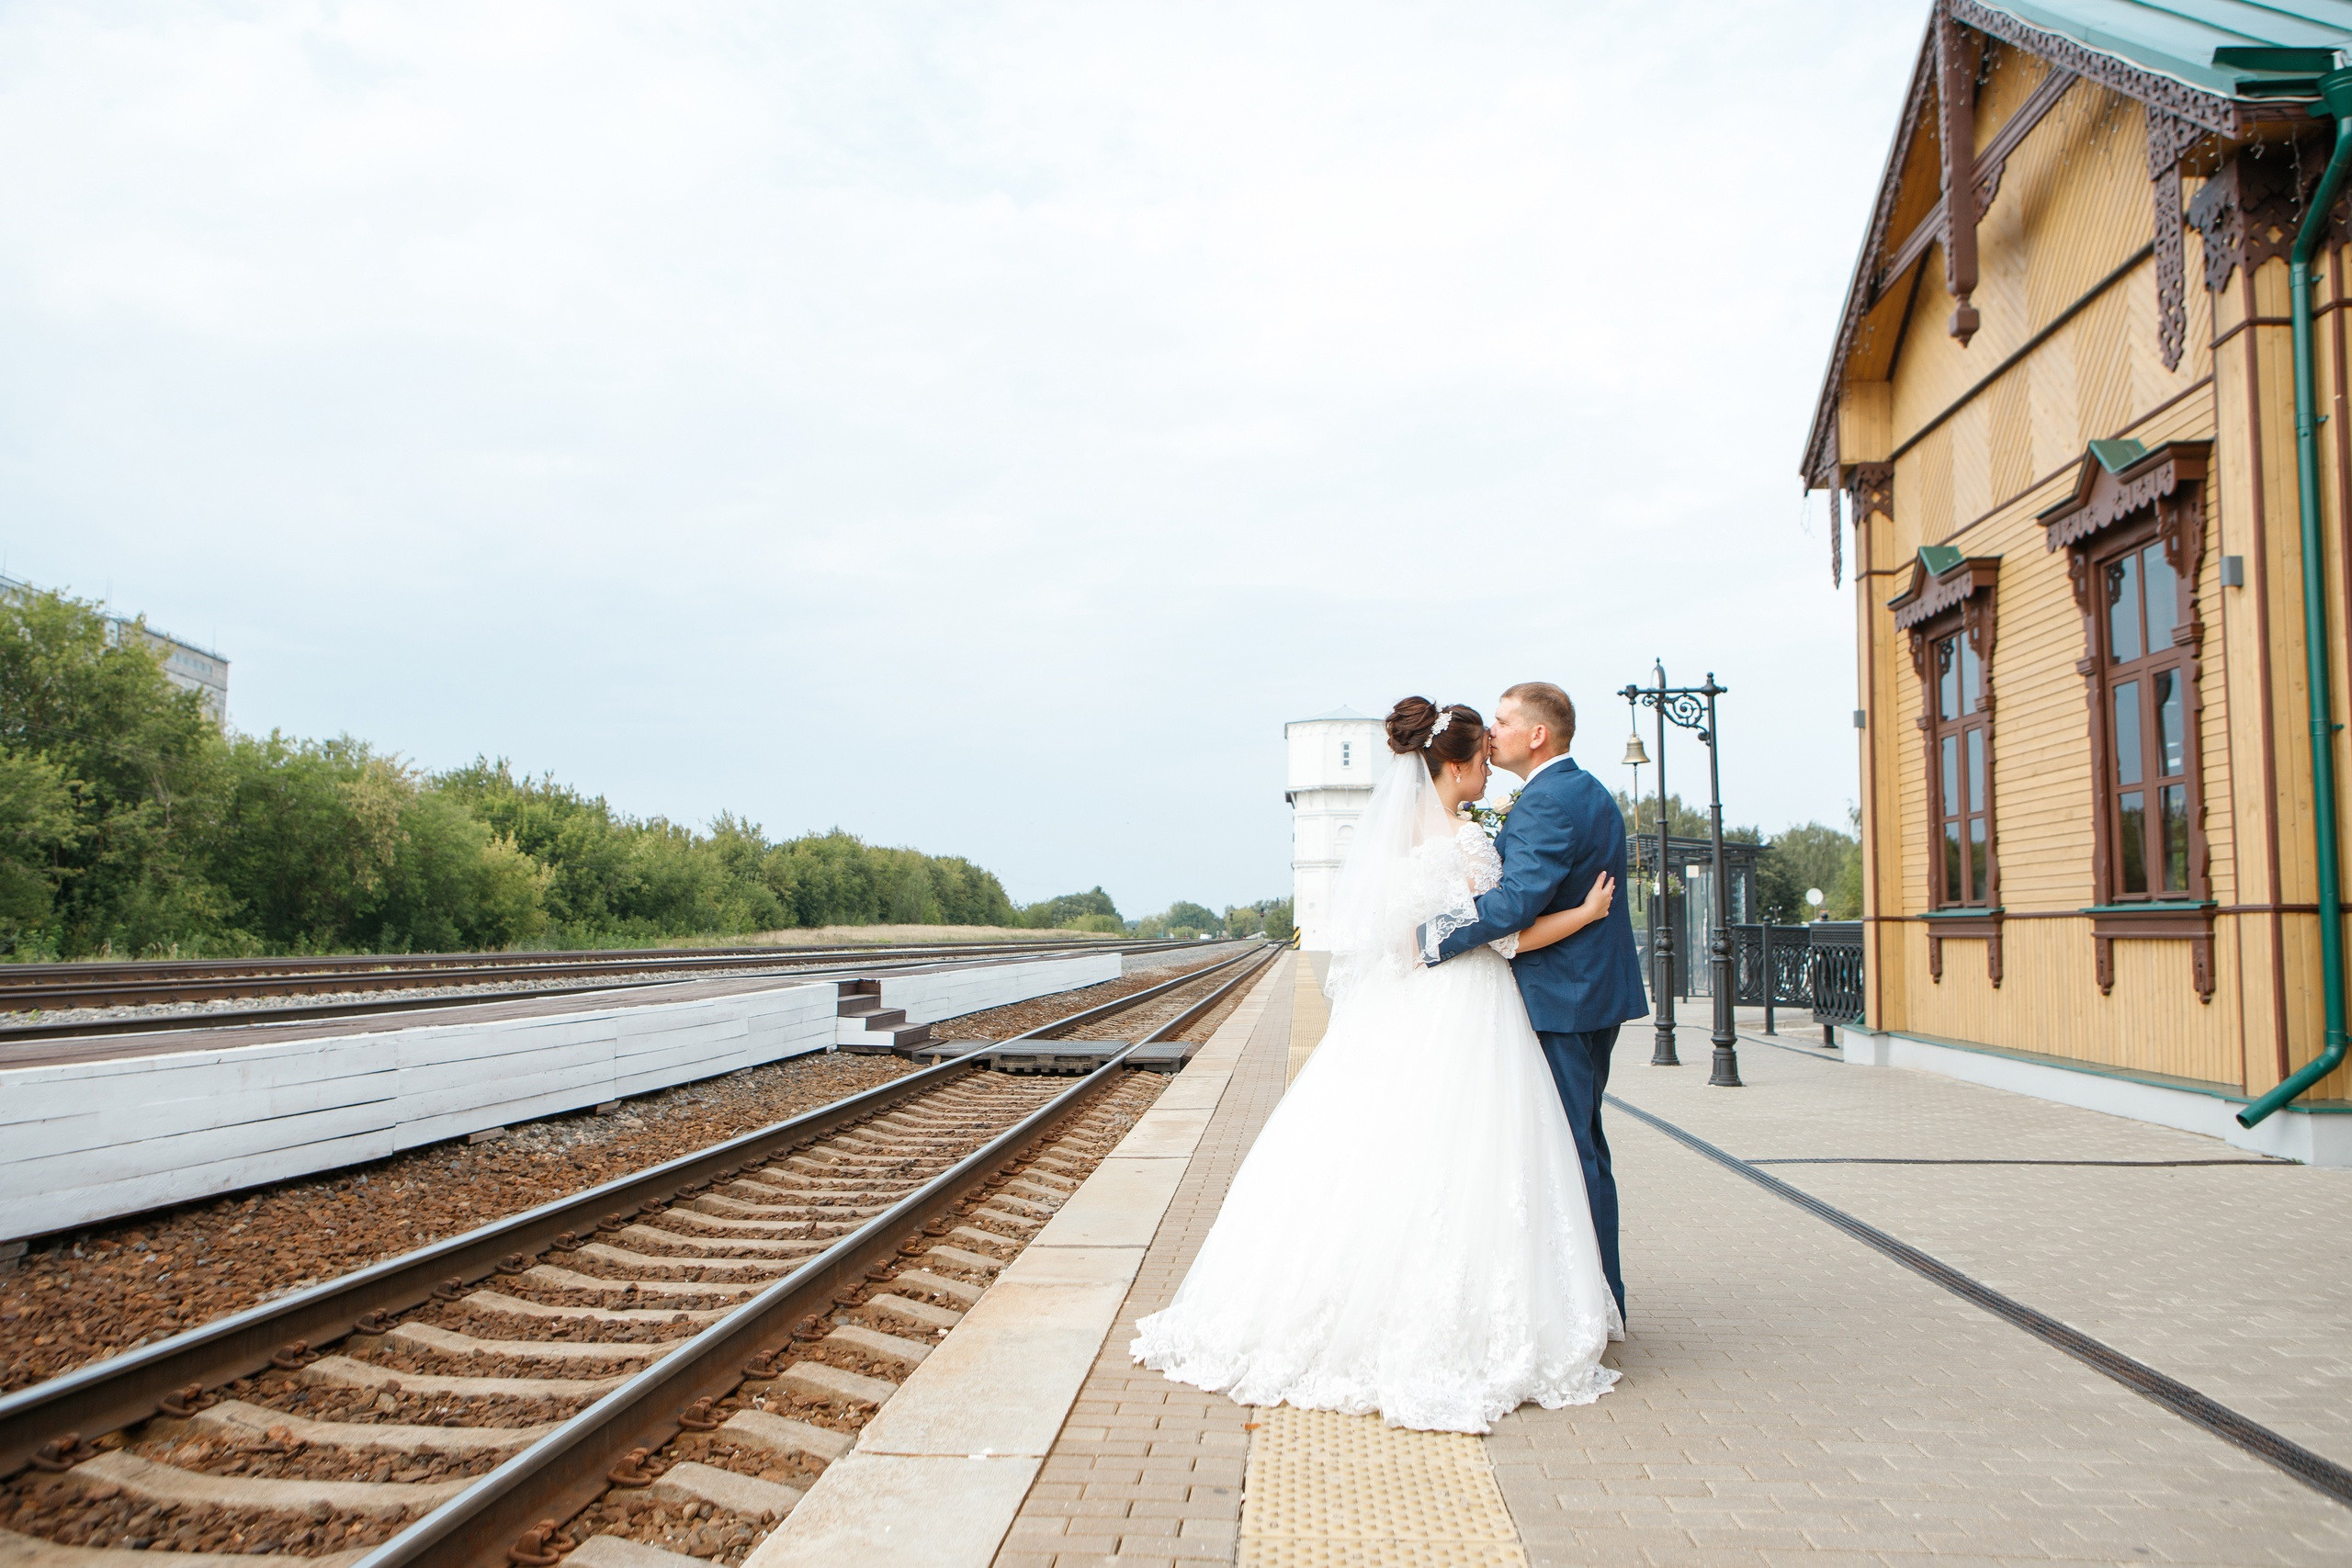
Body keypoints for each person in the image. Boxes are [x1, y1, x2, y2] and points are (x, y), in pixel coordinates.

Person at [1129, 696, 1622, 1433]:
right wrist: (1582, 914)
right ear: (1455, 765)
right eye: (1482, 759)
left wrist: (1425, 941)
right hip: (1470, 1005)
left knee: (1382, 1148)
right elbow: (1506, 931)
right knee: (1476, 1156)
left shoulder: (1394, 841)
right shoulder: (1466, 838)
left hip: (1402, 1007)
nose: (1490, 766)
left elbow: (1396, 936)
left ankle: (1347, 1299)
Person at [1424, 681, 1648, 1325]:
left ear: (1538, 734)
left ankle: (1590, 1307)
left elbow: (1517, 902)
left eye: (1502, 721)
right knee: (1580, 1147)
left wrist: (1429, 937)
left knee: (1569, 1152)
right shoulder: (1587, 790)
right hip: (1586, 993)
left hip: (1562, 999)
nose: (1492, 733)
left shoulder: (1547, 801)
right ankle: (1596, 1297)